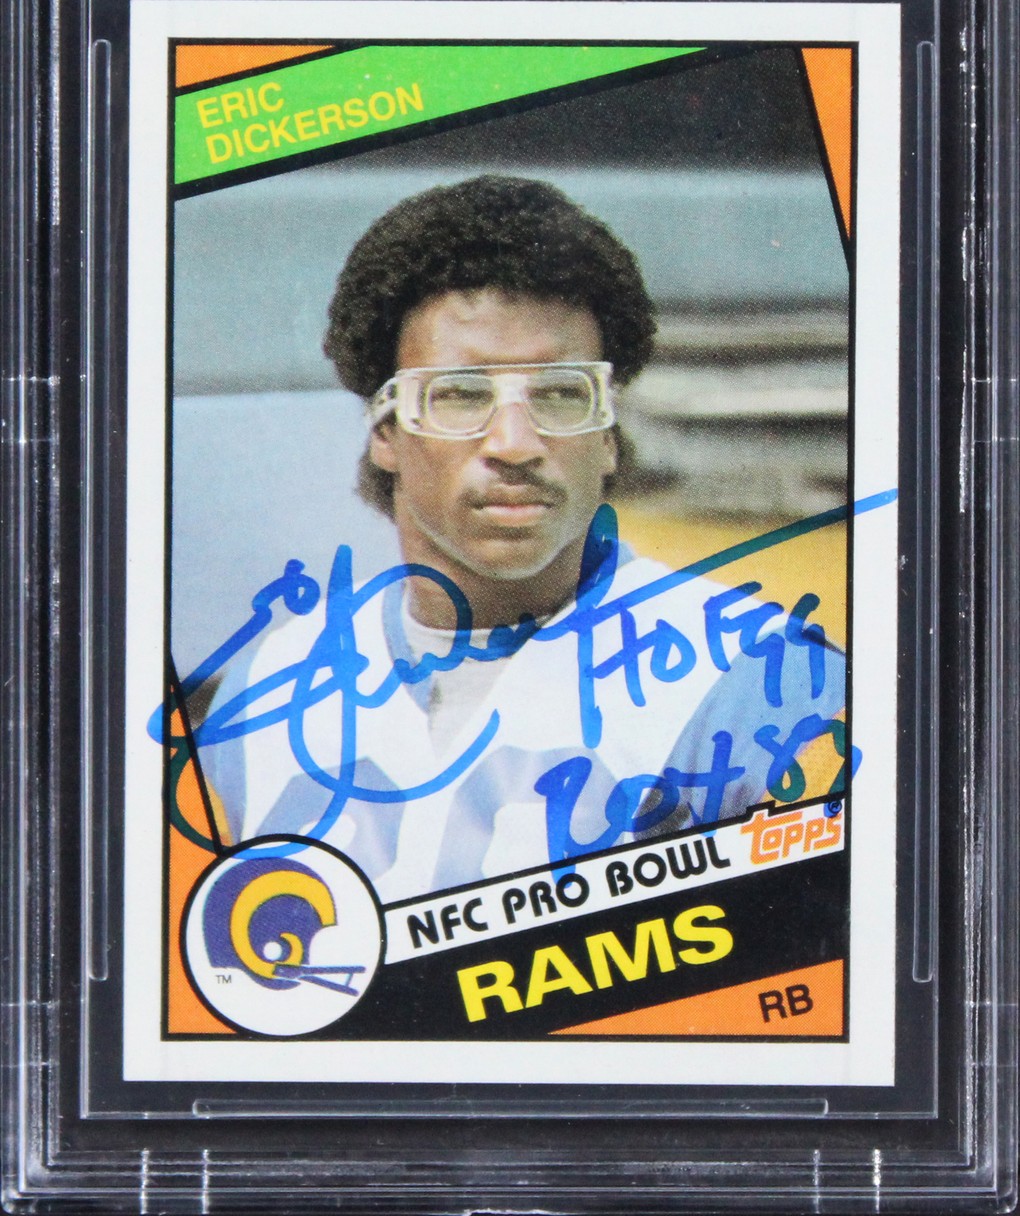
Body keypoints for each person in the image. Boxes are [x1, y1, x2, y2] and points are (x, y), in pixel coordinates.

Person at [195, 174, 846, 903]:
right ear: (386, 432)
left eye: (562, 394)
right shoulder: (265, 690)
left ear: (608, 436)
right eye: (460, 394)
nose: (515, 443)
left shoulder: (763, 683)